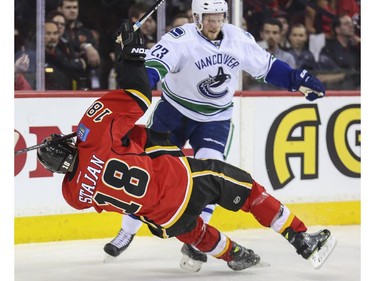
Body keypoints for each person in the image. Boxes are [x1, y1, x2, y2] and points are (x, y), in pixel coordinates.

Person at [36, 19, 336, 273]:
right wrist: (130, 56)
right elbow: (140, 91)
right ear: (197, 15)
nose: (215, 20)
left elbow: (266, 66)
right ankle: (301, 240)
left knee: (193, 229)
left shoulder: (73, 194)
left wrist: (294, 79)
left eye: (219, 14)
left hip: (162, 218)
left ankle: (232, 254)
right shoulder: (96, 132)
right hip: (176, 140)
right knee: (246, 189)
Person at [57, 0, 100, 89]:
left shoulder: (86, 32)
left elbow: (94, 58)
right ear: (60, 9)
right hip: (62, 82)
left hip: (84, 81)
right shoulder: (56, 31)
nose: (72, 11)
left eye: (75, 7)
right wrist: (85, 46)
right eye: (68, 7)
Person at [44, 21, 87, 90]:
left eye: (55, 33)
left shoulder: (65, 51)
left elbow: (78, 67)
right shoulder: (36, 55)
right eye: (48, 33)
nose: (52, 37)